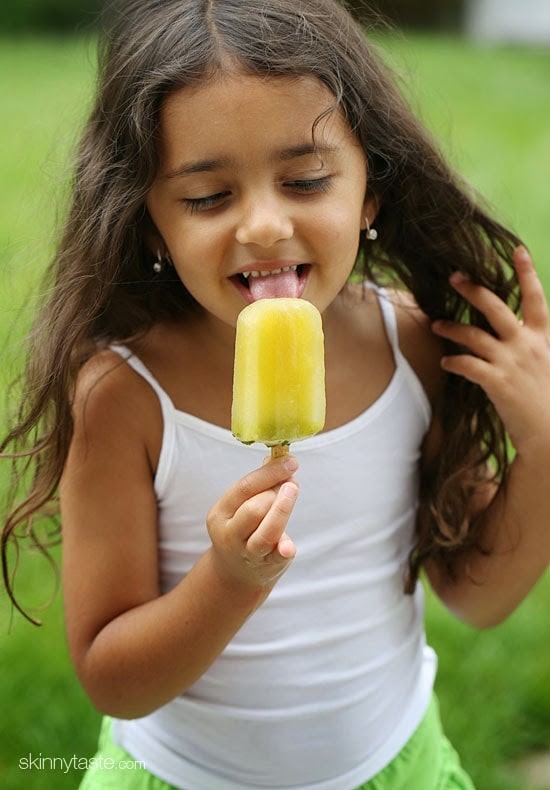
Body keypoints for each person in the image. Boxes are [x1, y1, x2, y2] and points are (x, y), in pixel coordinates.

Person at [2, 0, 549, 787]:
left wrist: (544, 445)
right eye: (206, 198)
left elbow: (478, 596)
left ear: (369, 193)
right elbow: (112, 678)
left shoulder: (414, 349)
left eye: (305, 180)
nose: (262, 224)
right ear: (151, 224)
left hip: (397, 765)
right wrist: (228, 582)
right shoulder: (125, 397)